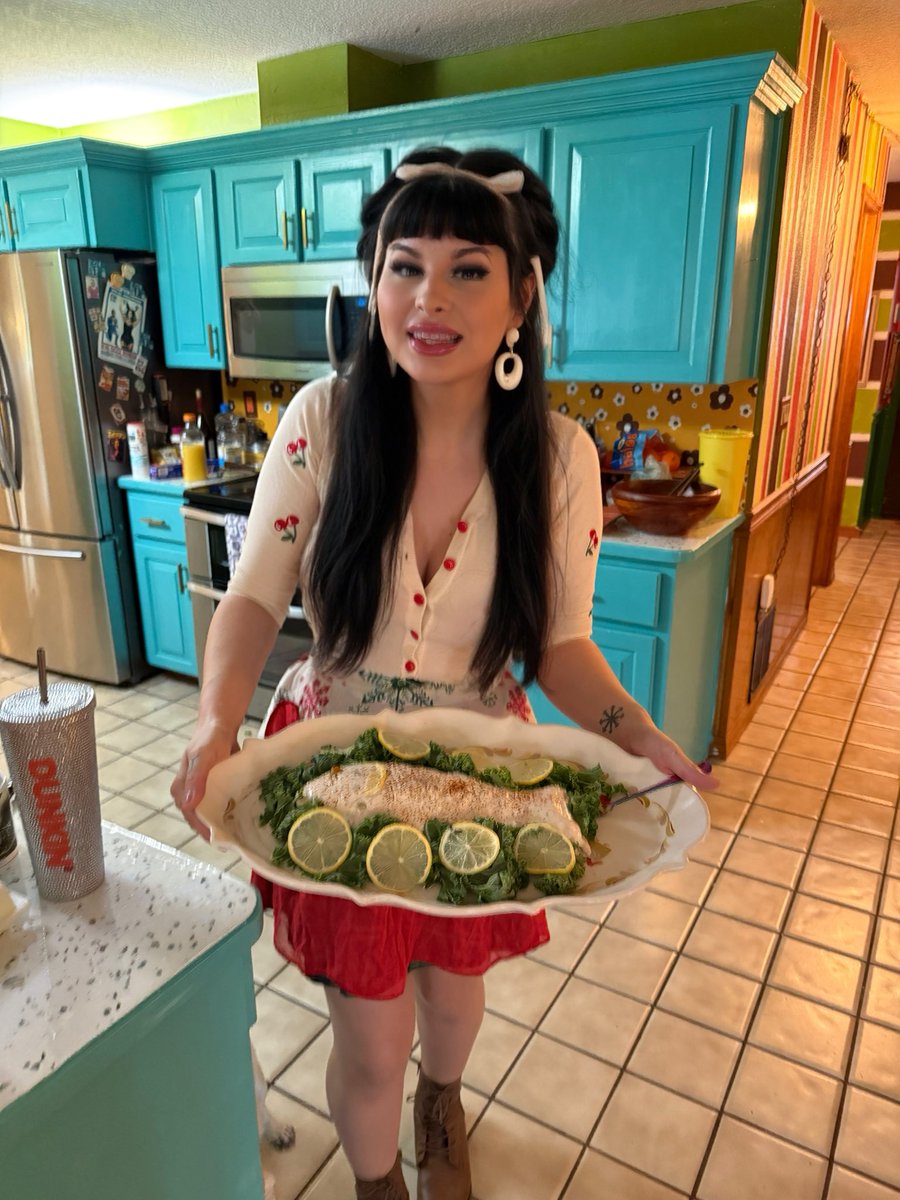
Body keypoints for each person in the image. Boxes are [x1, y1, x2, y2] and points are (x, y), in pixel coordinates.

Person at [172, 146, 715, 1200]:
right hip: (334, 765)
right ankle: (379, 1181)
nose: (430, 298)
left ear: (522, 297)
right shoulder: (323, 423)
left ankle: (443, 1100)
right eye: (404, 266)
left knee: (455, 1004)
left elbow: (561, 646)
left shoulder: (559, 457)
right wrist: (212, 723)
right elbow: (252, 598)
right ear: (374, 284)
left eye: (469, 268)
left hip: (485, 770)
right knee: (372, 1039)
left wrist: (640, 735)